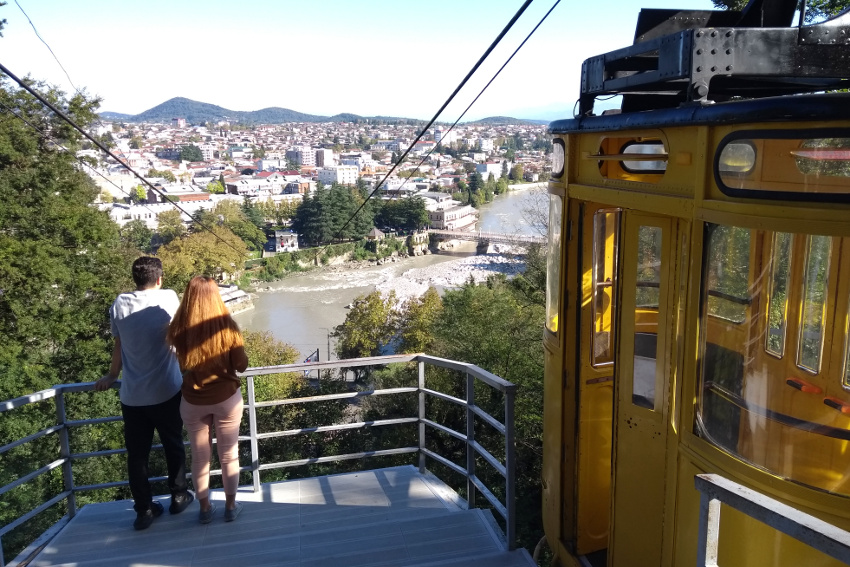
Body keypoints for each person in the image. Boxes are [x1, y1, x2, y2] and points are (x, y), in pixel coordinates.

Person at [95, 256, 194, 530]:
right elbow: (183, 336)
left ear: (135, 279)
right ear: (160, 279)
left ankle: (144, 510)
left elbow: (119, 344)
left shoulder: (120, 303)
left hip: (133, 396)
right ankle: (179, 495)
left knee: (137, 455)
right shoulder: (169, 299)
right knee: (174, 445)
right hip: (167, 390)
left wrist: (112, 375)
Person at [166, 276, 249, 524]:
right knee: (229, 455)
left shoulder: (178, 330)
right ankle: (231, 506)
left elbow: (183, 364)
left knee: (200, 458)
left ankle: (204, 509)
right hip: (226, 399)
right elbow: (241, 366)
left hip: (192, 401)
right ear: (216, 297)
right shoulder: (229, 328)